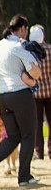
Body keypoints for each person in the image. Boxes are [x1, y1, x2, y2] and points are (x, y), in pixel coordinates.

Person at [0, 14, 41, 187]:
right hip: (20, 94)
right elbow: (35, 73)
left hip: (3, 97)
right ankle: (24, 176)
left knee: (13, 136)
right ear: (22, 29)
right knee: (28, 135)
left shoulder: (0, 45)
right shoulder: (20, 46)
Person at [30, 24, 51, 160]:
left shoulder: (30, 51)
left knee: (36, 123)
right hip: (50, 91)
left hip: (35, 92)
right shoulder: (50, 49)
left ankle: (39, 152)